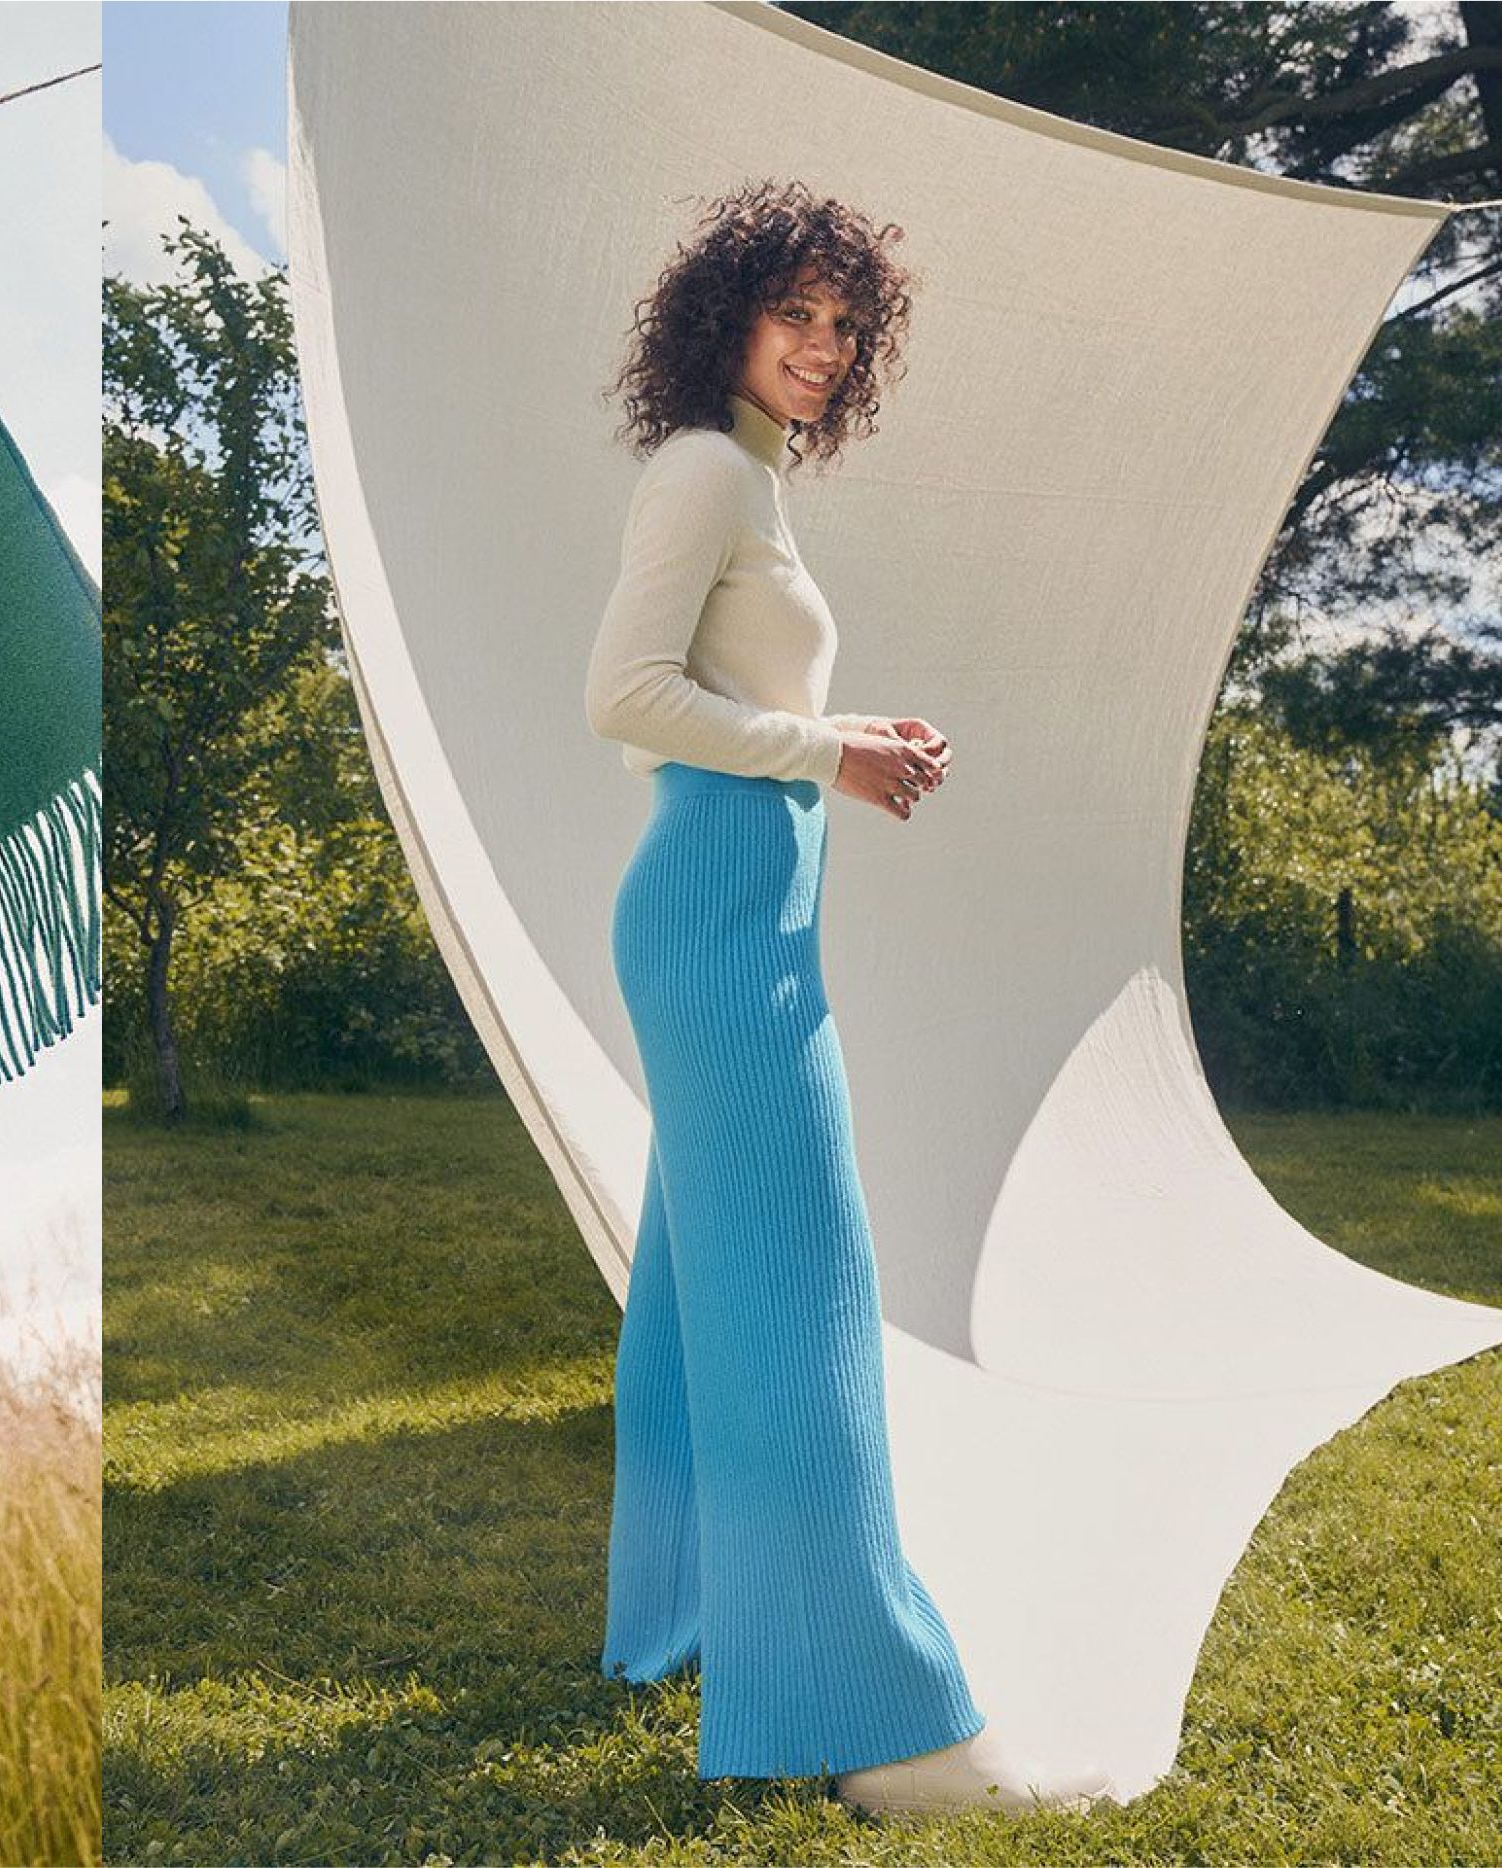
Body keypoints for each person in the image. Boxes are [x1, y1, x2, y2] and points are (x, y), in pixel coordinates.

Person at [582, 177, 1112, 1820]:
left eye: (842, 324)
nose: (819, 346)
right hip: (717, 921)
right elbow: (623, 698)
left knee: (694, 1302)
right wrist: (833, 751)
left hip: (747, 907)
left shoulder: (754, 480)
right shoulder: (698, 471)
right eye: (792, 314)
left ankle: (678, 1623)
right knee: (803, 1302)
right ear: (723, 318)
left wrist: (846, 734)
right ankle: (882, 1731)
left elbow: (732, 688)